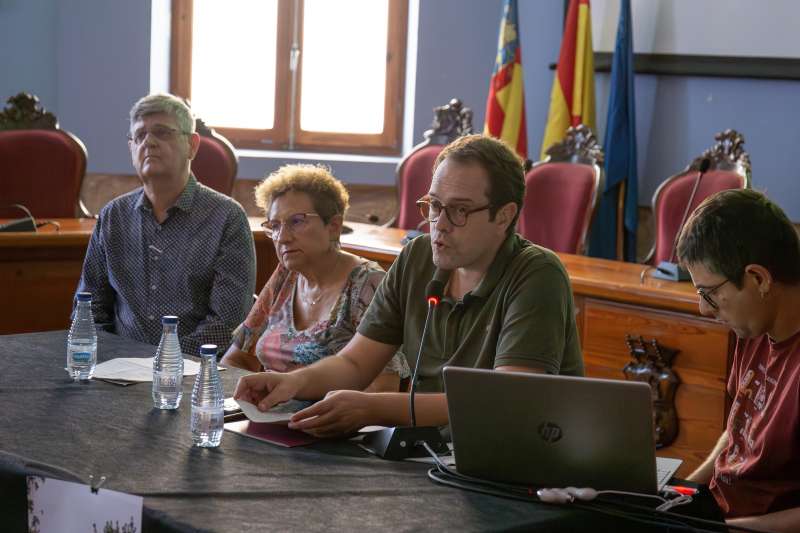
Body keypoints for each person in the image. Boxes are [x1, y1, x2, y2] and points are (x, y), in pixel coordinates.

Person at [234, 134, 583, 437]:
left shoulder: (537, 274)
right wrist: (293, 383)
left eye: (459, 210)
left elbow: (506, 401)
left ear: (504, 216)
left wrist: (376, 409)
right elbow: (355, 364)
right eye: (433, 206)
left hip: (510, 462)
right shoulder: (418, 255)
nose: (439, 225)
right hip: (426, 453)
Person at [75, 93, 255, 355]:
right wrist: (108, 356)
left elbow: (226, 322)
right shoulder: (113, 216)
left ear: (192, 145)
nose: (149, 142)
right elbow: (89, 308)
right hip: (118, 369)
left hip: (193, 374)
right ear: (131, 149)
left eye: (162, 133)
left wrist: (165, 362)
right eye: (140, 135)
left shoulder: (227, 218)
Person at [220, 164, 409, 391]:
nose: (282, 237)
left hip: (333, 420)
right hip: (267, 416)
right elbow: (236, 359)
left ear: (334, 227)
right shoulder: (286, 274)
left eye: (297, 221)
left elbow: (382, 389)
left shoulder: (368, 284)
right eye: (275, 226)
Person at [677, 189, 800, 532]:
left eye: (710, 294)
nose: (704, 309)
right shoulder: (753, 327)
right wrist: (682, 491)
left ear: (759, 278)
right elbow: (739, 433)